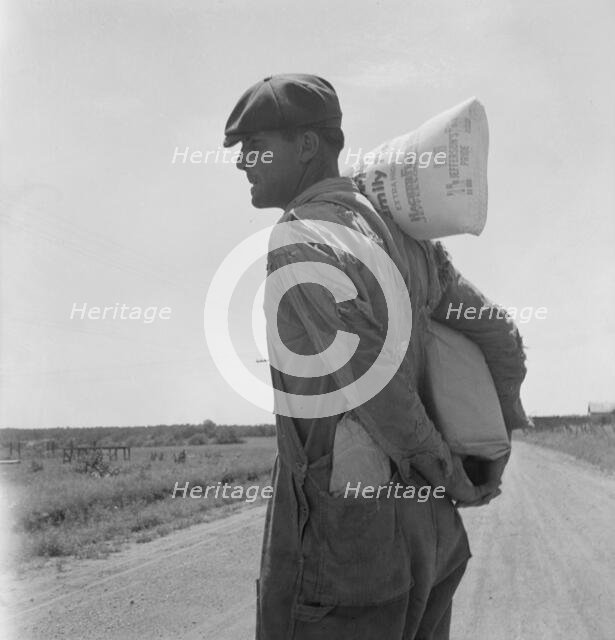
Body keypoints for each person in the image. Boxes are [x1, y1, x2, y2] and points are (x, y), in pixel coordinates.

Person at [222, 74, 530, 640]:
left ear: (308, 146)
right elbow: (500, 336)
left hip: (347, 560)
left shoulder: (302, 238)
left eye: (255, 146)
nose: (243, 162)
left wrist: (450, 474)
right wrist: (489, 448)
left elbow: (376, 388)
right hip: (431, 543)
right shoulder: (408, 237)